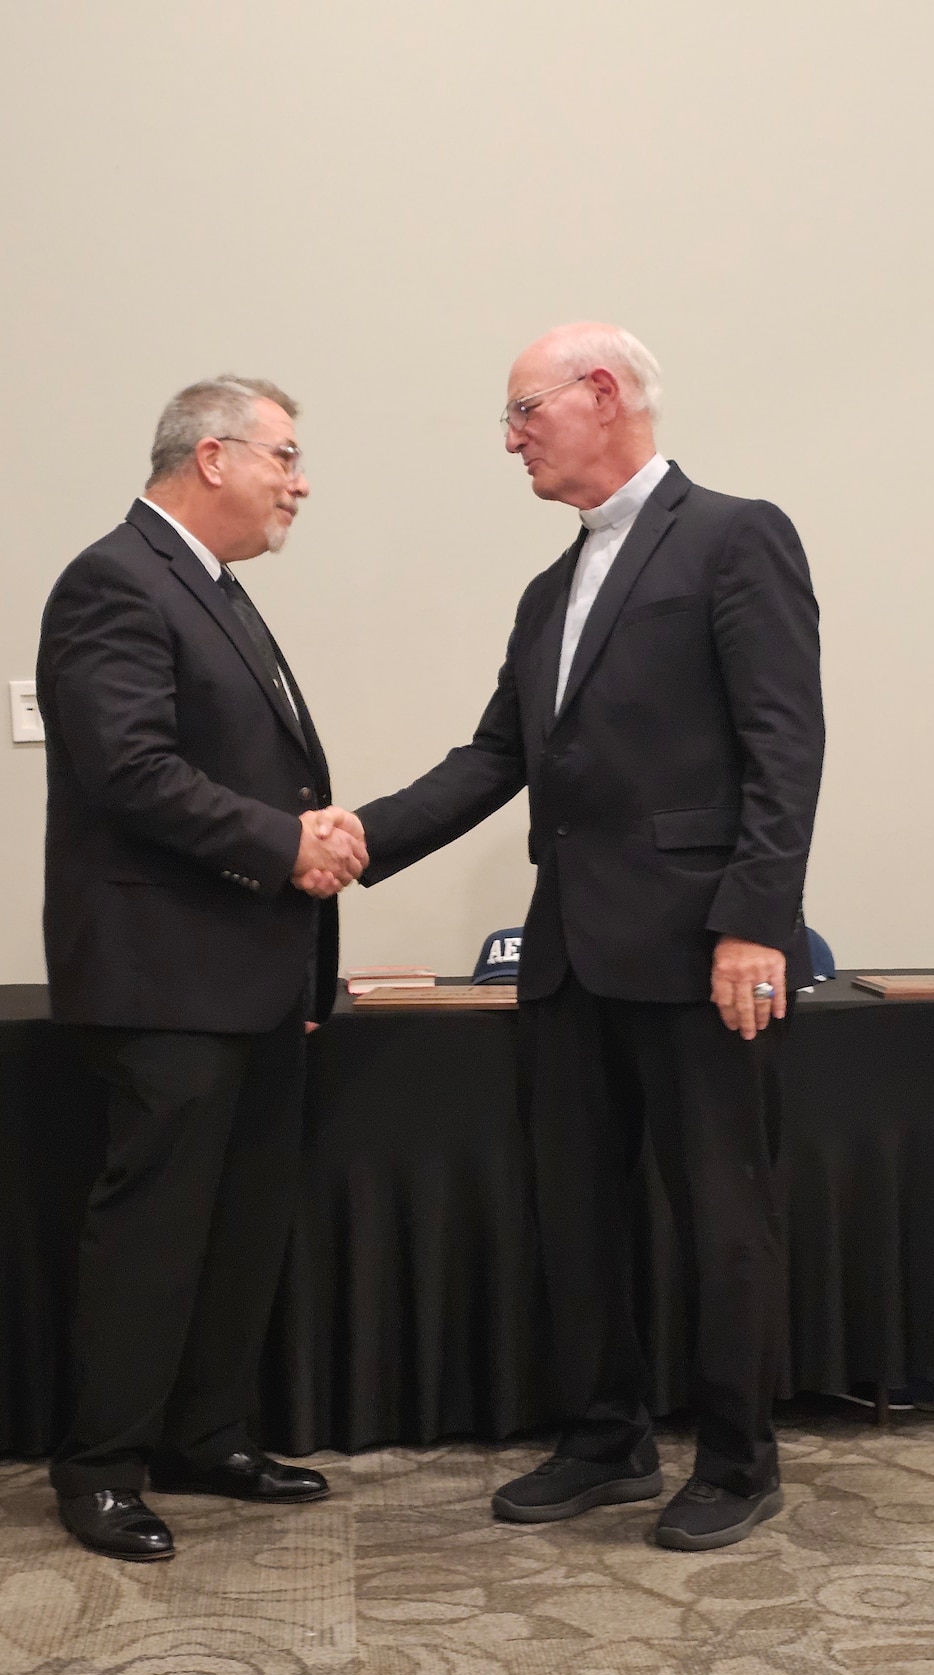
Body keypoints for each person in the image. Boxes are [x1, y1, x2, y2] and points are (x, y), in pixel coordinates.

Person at [346, 323, 824, 1551]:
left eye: (521, 413)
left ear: (600, 393)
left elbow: (784, 744)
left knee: (723, 1214)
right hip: (568, 958)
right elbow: (497, 757)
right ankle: (604, 1439)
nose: (509, 440)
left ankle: (736, 1457)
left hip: (698, 955)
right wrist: (353, 841)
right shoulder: (548, 588)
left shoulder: (733, 535)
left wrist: (752, 925)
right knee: (576, 1210)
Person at [37, 375, 367, 1561]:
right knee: (156, 1229)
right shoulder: (115, 578)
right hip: (163, 978)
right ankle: (103, 1467)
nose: (300, 480)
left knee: (240, 1223)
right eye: (285, 455)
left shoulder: (212, 590)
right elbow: (130, 769)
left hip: (253, 979)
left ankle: (205, 1435)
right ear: (213, 456)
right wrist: (289, 842)